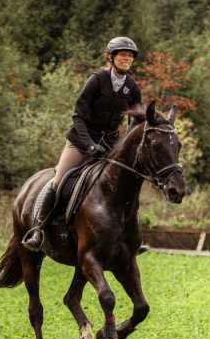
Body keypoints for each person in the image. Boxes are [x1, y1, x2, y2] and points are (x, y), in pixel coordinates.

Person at [21, 37, 142, 251]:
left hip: (110, 144)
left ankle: (129, 236)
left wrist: (126, 141)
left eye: (130, 56)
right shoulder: (97, 80)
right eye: (123, 54)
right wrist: (88, 144)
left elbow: (136, 117)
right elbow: (78, 116)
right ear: (111, 57)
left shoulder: (132, 87)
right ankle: (38, 230)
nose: (127, 58)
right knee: (58, 181)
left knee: (125, 184)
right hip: (80, 140)